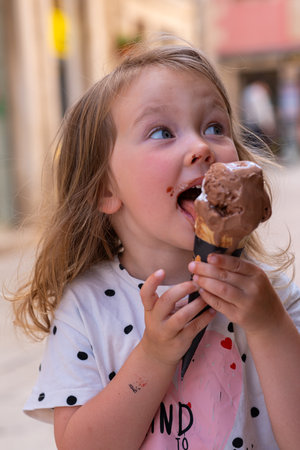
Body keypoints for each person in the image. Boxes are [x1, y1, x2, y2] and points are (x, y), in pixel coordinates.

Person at [10, 38, 300, 449]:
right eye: (162, 132)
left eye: (214, 127)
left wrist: (270, 327)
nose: (202, 146)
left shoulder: (274, 298)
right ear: (105, 188)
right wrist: (153, 357)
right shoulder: (88, 309)